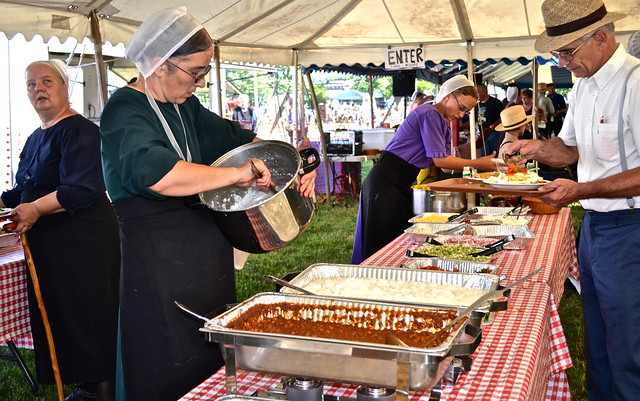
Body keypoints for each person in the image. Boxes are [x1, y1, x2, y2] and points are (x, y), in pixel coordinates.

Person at [99, 8, 315, 401]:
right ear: (161, 65)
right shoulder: (123, 111)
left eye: (204, 74)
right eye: (195, 73)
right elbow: (158, 175)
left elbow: (245, 144)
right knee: (162, 352)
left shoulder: (186, 107)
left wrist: (293, 167)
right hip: (156, 257)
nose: (199, 83)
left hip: (205, 252)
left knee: (208, 347)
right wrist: (237, 174)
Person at [506, 1, 640, 399]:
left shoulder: (635, 83)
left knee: (629, 340)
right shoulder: (583, 86)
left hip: (631, 228)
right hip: (596, 225)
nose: (561, 62)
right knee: (597, 334)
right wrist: (535, 149)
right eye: (557, 53)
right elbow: (570, 149)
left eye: (567, 52)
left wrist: (580, 190)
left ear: (601, 38)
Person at [0, 60, 120, 401]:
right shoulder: (37, 136)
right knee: (65, 314)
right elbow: (26, 187)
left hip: (84, 243)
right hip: (51, 246)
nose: (38, 88)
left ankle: (103, 388)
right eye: (31, 84)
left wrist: (35, 209)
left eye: (46, 81)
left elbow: (82, 188)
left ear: (65, 87)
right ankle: (85, 383)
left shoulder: (80, 130)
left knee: (90, 313)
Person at [351, 75, 497, 264]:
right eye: (461, 108)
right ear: (449, 96)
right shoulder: (430, 113)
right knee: (383, 240)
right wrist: (479, 163)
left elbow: (444, 167)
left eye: (466, 112)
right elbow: (442, 161)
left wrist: (469, 174)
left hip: (399, 180)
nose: (461, 115)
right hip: (386, 179)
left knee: (396, 237)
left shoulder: (442, 122)